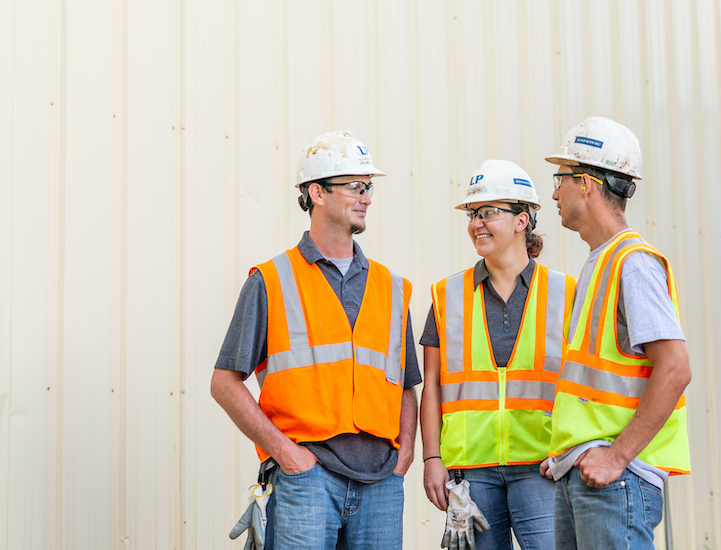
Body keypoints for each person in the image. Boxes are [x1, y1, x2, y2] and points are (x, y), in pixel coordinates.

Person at [211, 130, 420, 550]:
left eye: (369, 188)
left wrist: (405, 455)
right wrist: (287, 455)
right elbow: (224, 383)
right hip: (307, 479)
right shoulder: (271, 280)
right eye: (355, 187)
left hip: (381, 481)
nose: (366, 198)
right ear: (317, 193)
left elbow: (405, 386)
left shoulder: (392, 287)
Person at [540, 117, 691, 550]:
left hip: (616, 482)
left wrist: (617, 456)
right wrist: (568, 454)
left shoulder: (633, 263)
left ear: (585, 183)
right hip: (587, 475)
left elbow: (676, 368)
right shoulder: (601, 261)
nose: (554, 193)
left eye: (561, 179)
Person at [420, 160, 576, 550]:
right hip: (470, 472)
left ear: (522, 220)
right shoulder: (446, 295)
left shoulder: (567, 293)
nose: (476, 223)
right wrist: (431, 459)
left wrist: (573, 451)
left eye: (488, 212)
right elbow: (432, 388)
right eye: (473, 214)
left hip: (542, 467)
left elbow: (583, 384)